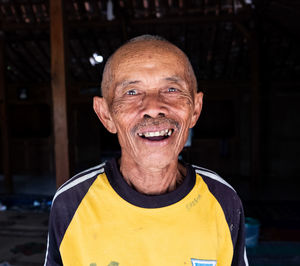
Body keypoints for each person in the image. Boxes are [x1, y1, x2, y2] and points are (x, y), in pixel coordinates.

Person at [44, 35, 248, 266]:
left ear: (195, 109)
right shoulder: (71, 202)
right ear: (105, 115)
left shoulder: (223, 200)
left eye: (171, 89)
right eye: (132, 92)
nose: (153, 108)